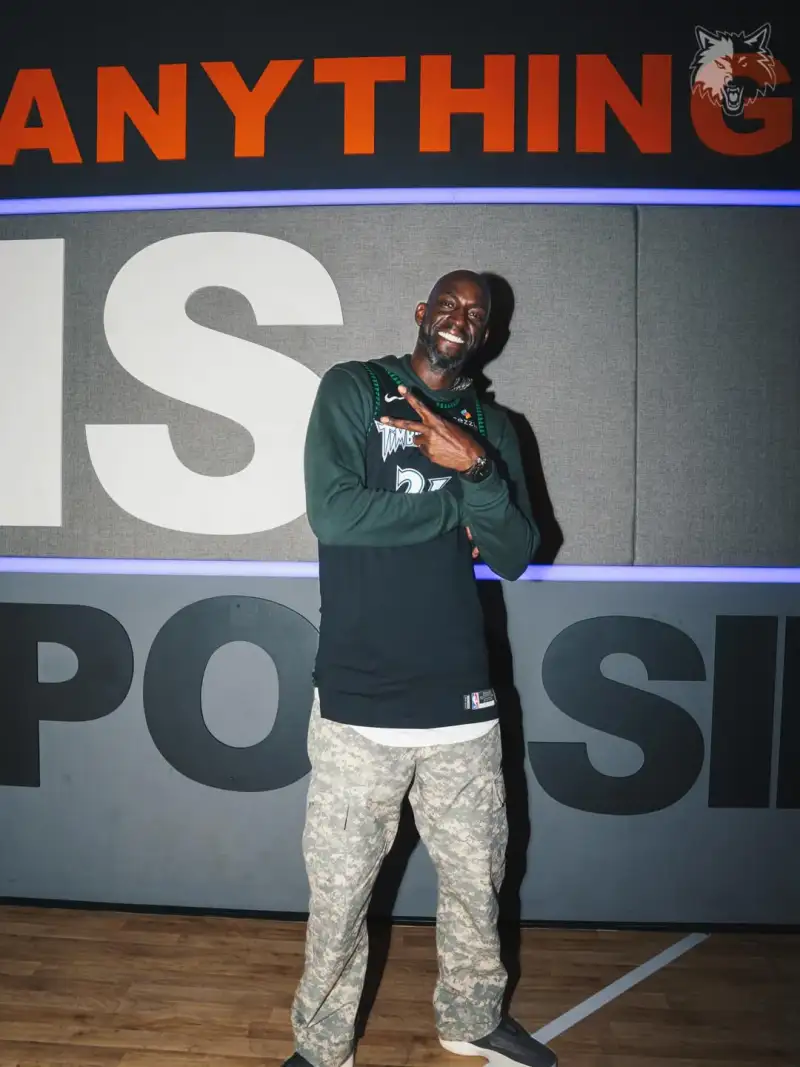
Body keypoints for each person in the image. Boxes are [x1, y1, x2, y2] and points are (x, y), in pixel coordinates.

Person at [284, 270, 557, 1067]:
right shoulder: (357, 390)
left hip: (461, 704)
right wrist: (457, 501)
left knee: (477, 885)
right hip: (357, 699)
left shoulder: (494, 428)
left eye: (476, 312)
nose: (459, 318)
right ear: (421, 312)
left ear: (488, 334)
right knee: (339, 898)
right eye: (448, 303)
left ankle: (471, 1019)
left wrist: (478, 468)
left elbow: (516, 552)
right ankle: (322, 1047)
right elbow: (334, 511)